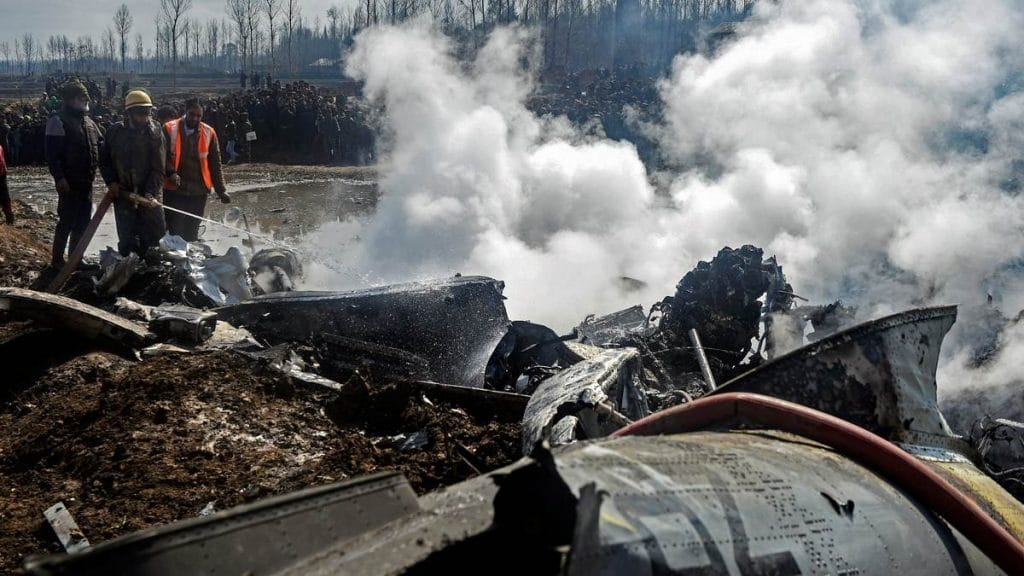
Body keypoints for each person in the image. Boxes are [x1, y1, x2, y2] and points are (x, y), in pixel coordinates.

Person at [99, 89, 166, 257]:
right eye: (141, 113)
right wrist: (111, 182)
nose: (145, 117)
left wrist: (150, 192)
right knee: (127, 239)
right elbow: (104, 161)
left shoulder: (155, 133)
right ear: (129, 113)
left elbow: (159, 168)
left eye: (148, 112)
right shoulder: (114, 132)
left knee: (155, 238)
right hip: (124, 194)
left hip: (149, 195)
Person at [44, 80, 102, 267]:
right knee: (66, 222)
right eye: (81, 96)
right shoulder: (57, 120)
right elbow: (52, 155)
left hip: (87, 182)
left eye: (86, 96)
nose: (85, 99)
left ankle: (76, 258)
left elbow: (102, 146)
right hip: (69, 182)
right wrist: (59, 178)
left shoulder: (89, 122)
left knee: (83, 223)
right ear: (69, 99)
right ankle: (57, 260)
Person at [162, 97, 230, 242]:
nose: (195, 118)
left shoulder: (209, 133)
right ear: (185, 112)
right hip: (175, 190)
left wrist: (221, 190)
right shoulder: (169, 129)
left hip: (198, 190)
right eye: (192, 114)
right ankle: (175, 260)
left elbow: (215, 164)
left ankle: (190, 259)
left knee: (192, 229)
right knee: (175, 229)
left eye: (199, 116)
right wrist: (171, 172)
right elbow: (161, 157)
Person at [0, 141, 12, 224]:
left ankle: (9, 217)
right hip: (2, 171)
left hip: (1, 172)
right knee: (4, 196)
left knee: (4, 196)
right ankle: (9, 217)